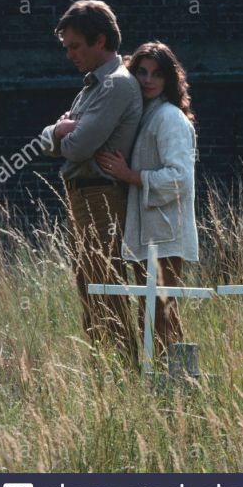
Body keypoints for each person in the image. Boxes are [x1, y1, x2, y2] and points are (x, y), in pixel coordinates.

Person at [39, 0, 142, 370]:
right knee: (88, 286)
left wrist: (62, 134)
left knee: (105, 285)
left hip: (101, 195)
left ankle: (126, 370)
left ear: (100, 40)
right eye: (66, 47)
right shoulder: (90, 87)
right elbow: (55, 138)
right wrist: (59, 131)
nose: (69, 55)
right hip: (81, 195)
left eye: (75, 47)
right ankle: (104, 369)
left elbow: (79, 146)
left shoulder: (114, 85)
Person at [94, 41, 198, 369]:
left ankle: (182, 387)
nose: (148, 79)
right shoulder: (144, 116)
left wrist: (132, 175)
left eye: (157, 73)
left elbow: (181, 178)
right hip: (147, 235)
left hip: (166, 236)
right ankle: (162, 387)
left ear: (169, 79)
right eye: (141, 72)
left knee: (163, 316)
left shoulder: (169, 118)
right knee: (150, 315)